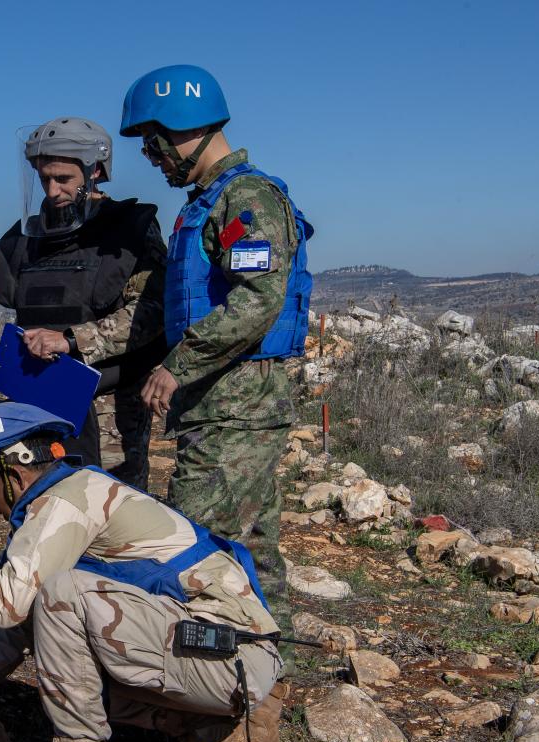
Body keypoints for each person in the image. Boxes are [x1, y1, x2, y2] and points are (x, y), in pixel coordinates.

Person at [0, 403, 286, 742]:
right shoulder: (77, 493)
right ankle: (223, 726)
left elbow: (5, 604)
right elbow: (20, 629)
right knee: (63, 634)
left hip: (228, 659)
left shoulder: (64, 502)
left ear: (13, 474)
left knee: (64, 596)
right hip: (230, 661)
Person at [119, 65, 314, 636]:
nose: (152, 157)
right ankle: (264, 674)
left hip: (237, 407)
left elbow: (259, 300)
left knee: (196, 549)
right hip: (222, 408)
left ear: (183, 128)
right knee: (248, 546)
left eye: (153, 143)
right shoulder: (208, 203)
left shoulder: (246, 198)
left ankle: (227, 682)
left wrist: (175, 368)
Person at [0, 117, 168, 488]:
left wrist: (72, 339)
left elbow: (150, 313)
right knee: (44, 505)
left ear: (95, 171)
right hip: (39, 399)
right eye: (44, 179)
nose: (52, 191)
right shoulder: (28, 239)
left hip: (108, 410)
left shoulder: (129, 231)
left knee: (114, 510)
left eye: (63, 179)